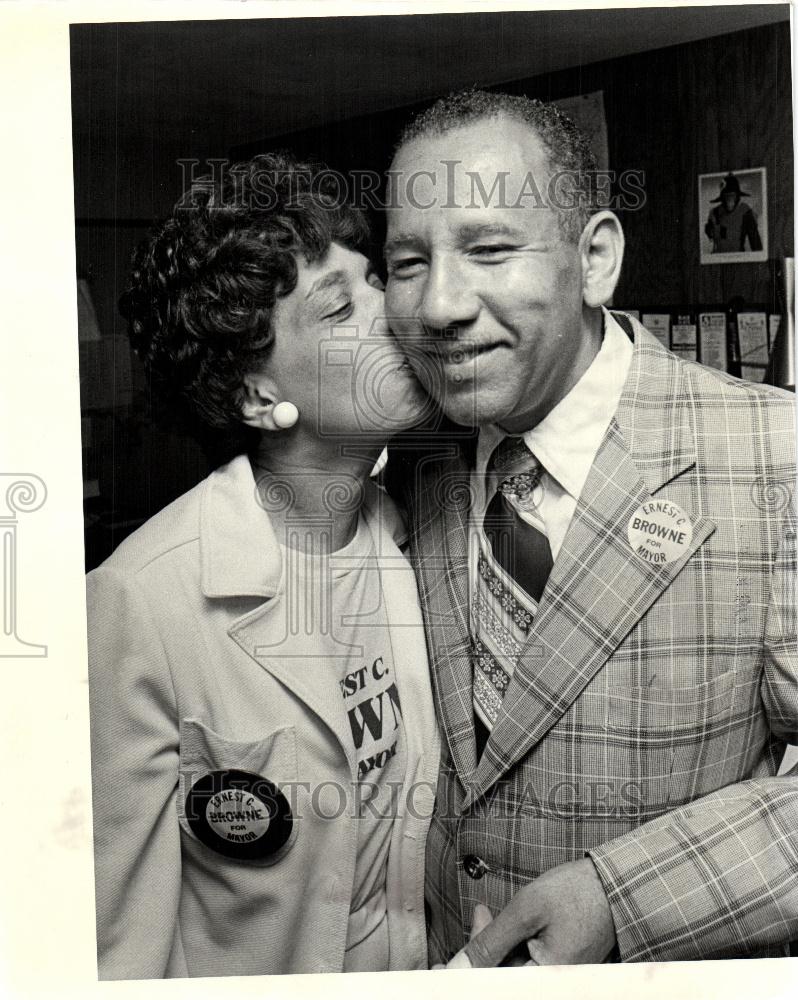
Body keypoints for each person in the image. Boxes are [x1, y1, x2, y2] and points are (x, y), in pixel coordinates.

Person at [383, 90, 797, 965]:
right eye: (409, 264)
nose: (441, 306)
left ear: (595, 258)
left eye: (490, 249)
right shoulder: (409, 464)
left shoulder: (775, 454)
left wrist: (623, 897)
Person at [87, 152, 440, 979]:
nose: (402, 312)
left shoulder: (414, 528)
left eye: (378, 281)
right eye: (341, 307)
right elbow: (118, 956)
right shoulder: (138, 605)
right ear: (255, 396)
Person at [704, 172, 763, 253]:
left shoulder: (745, 211)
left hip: (738, 258)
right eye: (727, 196)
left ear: (738, 196)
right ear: (722, 198)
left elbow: (756, 243)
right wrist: (710, 232)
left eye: (732, 196)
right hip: (718, 258)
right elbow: (714, 236)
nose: (729, 200)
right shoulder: (714, 212)